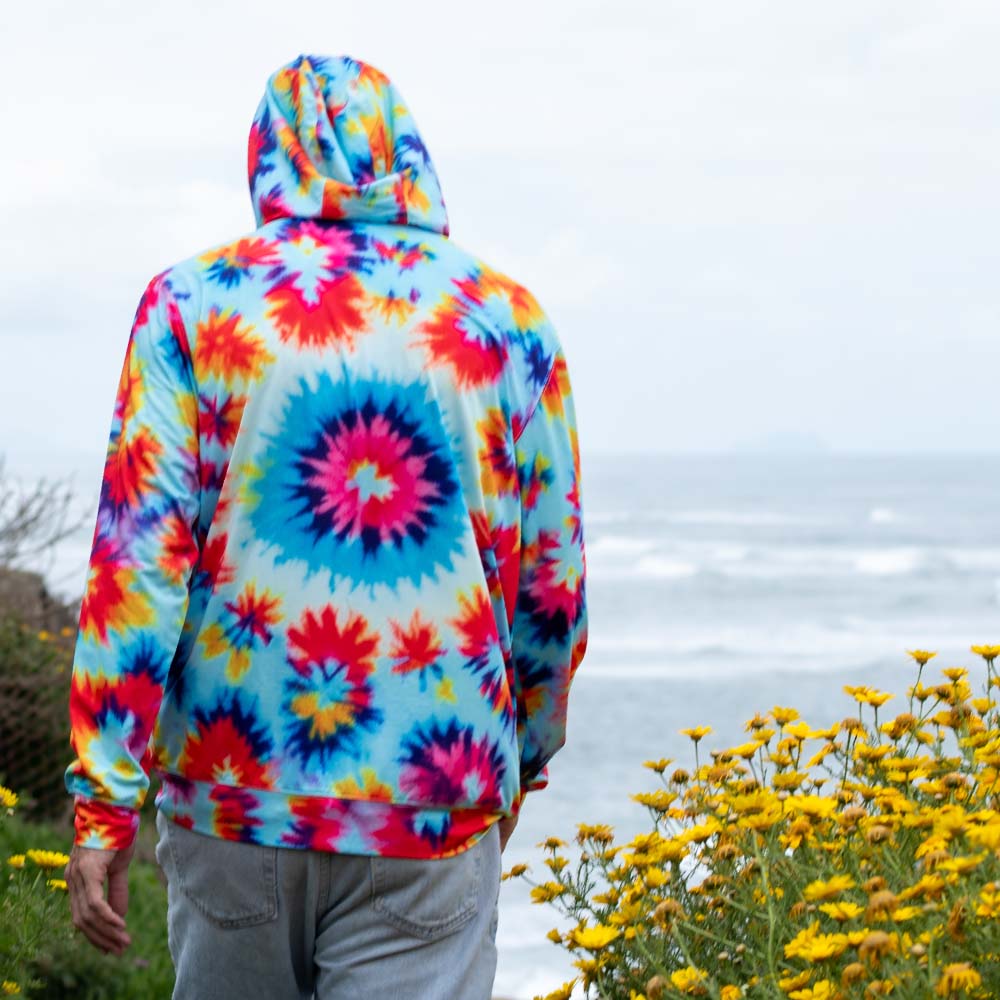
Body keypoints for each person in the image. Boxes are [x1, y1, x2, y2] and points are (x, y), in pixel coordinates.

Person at [61, 53, 587, 999]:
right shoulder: (505, 320)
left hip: (234, 792)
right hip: (434, 794)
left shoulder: (190, 306)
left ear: (266, 158)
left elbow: (138, 566)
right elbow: (549, 584)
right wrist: (522, 761)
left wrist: (105, 801)